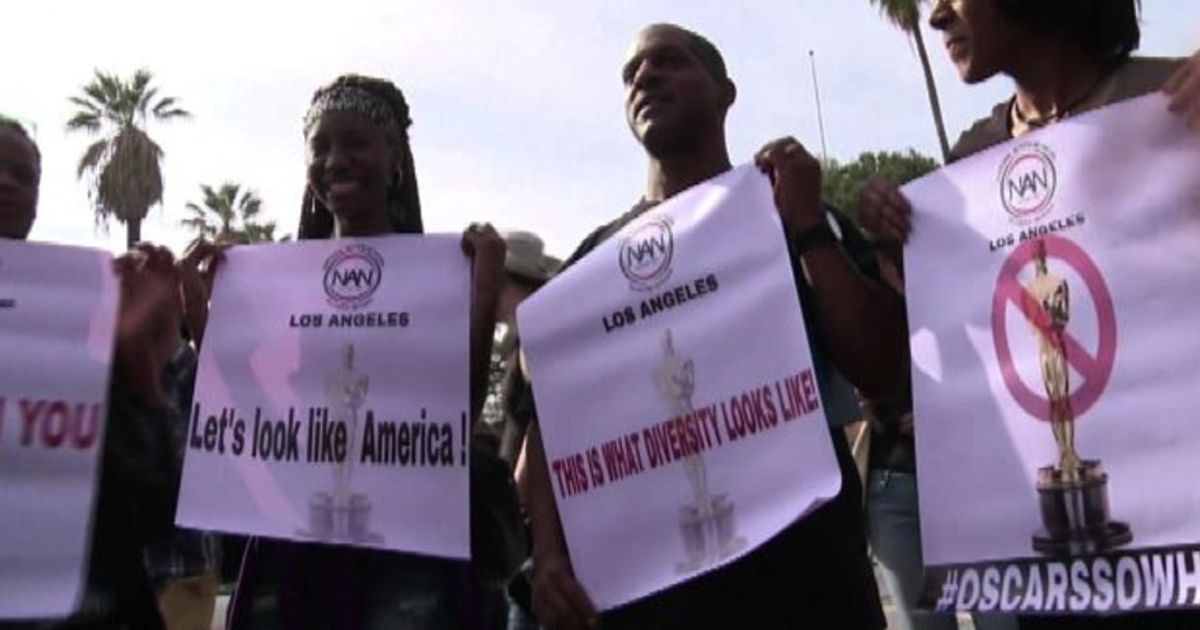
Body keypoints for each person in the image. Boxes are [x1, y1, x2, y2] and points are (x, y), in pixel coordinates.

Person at [522, 24, 907, 629]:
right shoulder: (591, 267)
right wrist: (545, 556)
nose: (644, 78)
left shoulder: (791, 209)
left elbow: (883, 368)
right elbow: (548, 432)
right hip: (654, 605)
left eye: (667, 62)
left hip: (807, 589)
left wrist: (807, 227)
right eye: (631, 75)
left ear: (726, 92)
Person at [856, 1, 1200, 629]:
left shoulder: (1174, 99)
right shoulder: (970, 163)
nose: (935, 17)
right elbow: (962, 332)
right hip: (1054, 579)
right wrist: (891, 232)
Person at [224, 74, 514, 630]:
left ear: (395, 162)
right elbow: (242, 406)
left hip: (406, 548)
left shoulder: (440, 274)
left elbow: (457, 410)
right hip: (295, 541)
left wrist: (481, 293)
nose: (335, 159)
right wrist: (202, 300)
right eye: (320, 146)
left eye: (354, 142)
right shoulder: (277, 280)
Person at [0, 118, 204, 630]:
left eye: (22, 175)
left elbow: (159, 510)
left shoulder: (87, 316)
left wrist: (140, 368)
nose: (6, 183)